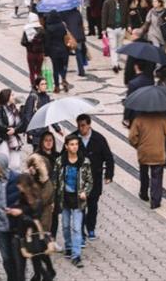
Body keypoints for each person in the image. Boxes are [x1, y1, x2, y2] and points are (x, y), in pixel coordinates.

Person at [70, 114, 113, 241]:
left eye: (83, 125)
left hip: (95, 178)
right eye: (78, 126)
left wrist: (109, 175)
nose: (81, 128)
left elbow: (109, 158)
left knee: (93, 205)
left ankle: (91, 228)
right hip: (79, 179)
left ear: (89, 125)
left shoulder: (99, 139)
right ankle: (81, 231)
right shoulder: (73, 139)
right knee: (80, 206)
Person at [6, 173, 56, 281]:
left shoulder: (36, 200)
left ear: (25, 185)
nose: (18, 187)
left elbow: (34, 220)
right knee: (35, 260)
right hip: (23, 233)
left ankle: (47, 274)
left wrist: (20, 213)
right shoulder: (23, 196)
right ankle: (45, 273)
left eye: (20, 185)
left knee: (37, 259)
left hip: (32, 234)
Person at [54, 134, 92, 268]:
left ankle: (76, 255)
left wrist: (84, 192)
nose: (74, 147)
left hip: (78, 201)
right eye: (71, 144)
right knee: (65, 226)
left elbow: (89, 181)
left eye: (76, 144)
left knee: (76, 228)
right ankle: (69, 246)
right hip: (64, 199)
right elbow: (55, 181)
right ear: (66, 146)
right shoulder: (60, 162)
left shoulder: (84, 162)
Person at [129, 110, 166, 209]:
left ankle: (144, 193)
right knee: (157, 176)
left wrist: (137, 145)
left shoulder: (138, 119)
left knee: (144, 173)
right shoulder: (162, 118)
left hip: (143, 152)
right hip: (158, 152)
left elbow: (132, 137)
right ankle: (155, 201)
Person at [0, 153, 20, 281]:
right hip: (0, 227)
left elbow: (25, 200)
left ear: (1, 165)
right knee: (6, 258)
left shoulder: (17, 178)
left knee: (16, 257)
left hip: (14, 226)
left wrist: (18, 211)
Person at [33, 131, 60, 238]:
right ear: (41, 142)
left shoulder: (57, 156)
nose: (49, 143)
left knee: (54, 216)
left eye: (51, 140)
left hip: (55, 191)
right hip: (42, 191)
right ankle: (41, 238)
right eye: (46, 140)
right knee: (42, 215)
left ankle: (52, 239)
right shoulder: (37, 157)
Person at [23, 77, 62, 148]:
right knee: (38, 154)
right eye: (42, 84)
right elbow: (27, 116)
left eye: (45, 84)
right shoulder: (33, 97)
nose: (45, 86)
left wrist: (57, 129)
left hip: (45, 131)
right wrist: (30, 132)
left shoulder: (46, 97)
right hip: (36, 132)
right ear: (37, 86)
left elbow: (49, 114)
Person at [0, 89, 26, 171]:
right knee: (4, 160)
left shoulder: (15, 108)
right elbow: (0, 125)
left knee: (16, 164)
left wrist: (15, 130)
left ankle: (12, 178)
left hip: (14, 138)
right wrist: (9, 129)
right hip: (2, 137)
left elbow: (21, 124)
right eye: (12, 95)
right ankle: (4, 178)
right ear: (6, 97)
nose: (13, 97)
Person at [101, 0, 128, 73]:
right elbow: (104, 16)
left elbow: (127, 14)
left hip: (121, 27)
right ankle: (114, 64)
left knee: (120, 47)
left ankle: (118, 63)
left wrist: (129, 25)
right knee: (113, 46)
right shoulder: (107, 2)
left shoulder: (124, 1)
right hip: (111, 28)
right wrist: (103, 28)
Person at [43, 11, 69, 93]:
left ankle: (57, 86)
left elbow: (47, 42)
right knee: (63, 66)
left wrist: (46, 53)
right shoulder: (62, 26)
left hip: (54, 51)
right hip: (64, 50)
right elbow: (65, 35)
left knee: (55, 69)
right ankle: (64, 78)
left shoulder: (48, 28)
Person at [21, 13, 45, 87]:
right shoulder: (42, 29)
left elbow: (23, 42)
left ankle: (33, 85)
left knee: (32, 71)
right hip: (40, 53)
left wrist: (30, 44)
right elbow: (45, 41)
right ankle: (40, 85)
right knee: (39, 70)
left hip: (31, 53)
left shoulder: (27, 29)